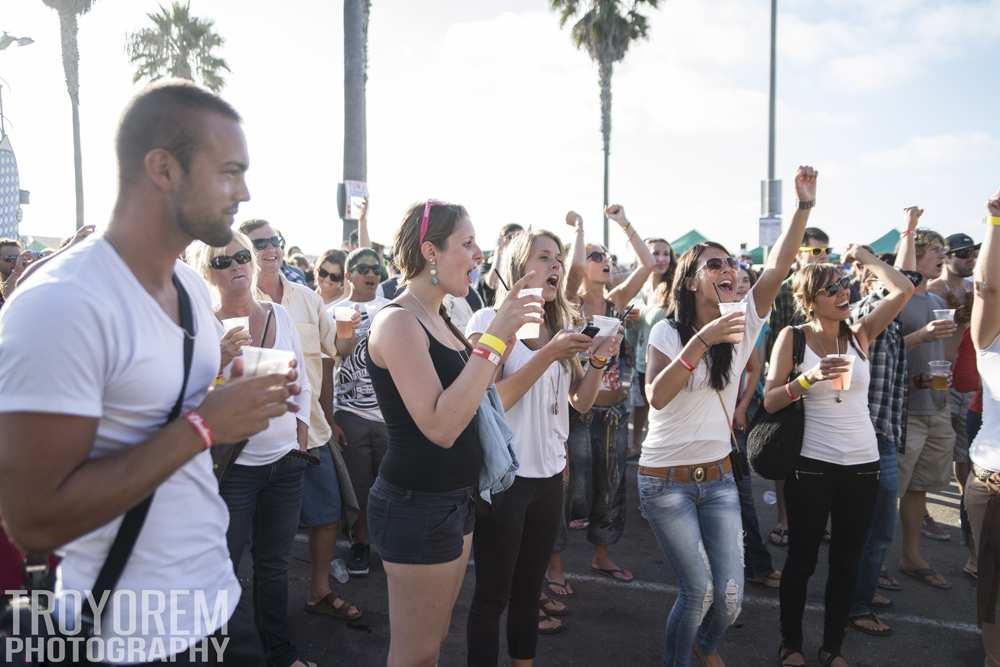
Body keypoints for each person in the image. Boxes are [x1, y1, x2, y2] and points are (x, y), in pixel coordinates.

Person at [0, 81, 303, 665]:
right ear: (163, 168)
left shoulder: (189, 285)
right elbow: (33, 521)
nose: (244, 190)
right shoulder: (62, 304)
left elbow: (166, 426)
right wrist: (207, 424)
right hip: (120, 633)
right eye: (230, 171)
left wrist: (233, 401)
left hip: (210, 605)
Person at [640, 165, 817, 667]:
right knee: (697, 593)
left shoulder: (744, 321)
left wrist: (803, 208)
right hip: (665, 481)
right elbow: (657, 395)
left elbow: (778, 268)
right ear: (692, 278)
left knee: (732, 599)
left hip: (717, 478)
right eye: (713, 264)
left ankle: (704, 647)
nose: (727, 270)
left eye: (731, 265)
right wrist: (699, 342)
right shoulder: (668, 334)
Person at [366, 200, 542, 667]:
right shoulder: (398, 321)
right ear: (430, 252)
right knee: (414, 653)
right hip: (417, 505)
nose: (479, 254)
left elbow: (479, 407)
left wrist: (547, 354)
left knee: (435, 639)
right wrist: (497, 334)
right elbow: (441, 426)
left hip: (452, 500)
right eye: (466, 243)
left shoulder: (442, 319)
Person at [464, 228, 622, 664]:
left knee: (529, 593)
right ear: (518, 267)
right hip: (505, 480)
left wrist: (600, 360)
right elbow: (489, 401)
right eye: (545, 257)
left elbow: (580, 402)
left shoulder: (562, 324)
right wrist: (548, 354)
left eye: (558, 258)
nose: (556, 265)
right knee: (493, 594)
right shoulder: (487, 322)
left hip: (551, 477)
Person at [766, 245, 914, 667]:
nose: (844, 293)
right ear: (811, 299)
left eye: (844, 285)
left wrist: (867, 261)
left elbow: (902, 290)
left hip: (863, 465)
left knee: (847, 561)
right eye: (833, 289)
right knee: (802, 560)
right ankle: (790, 643)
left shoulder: (860, 333)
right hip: (811, 464)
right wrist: (808, 379)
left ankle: (833, 647)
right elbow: (772, 400)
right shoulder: (792, 337)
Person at [192, 234, 316, 667]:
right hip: (234, 469)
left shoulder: (278, 316)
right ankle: (227, 655)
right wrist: (217, 361)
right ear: (208, 273)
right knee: (225, 566)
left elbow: (300, 385)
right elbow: (193, 402)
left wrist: (299, 441)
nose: (237, 266)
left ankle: (279, 654)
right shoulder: (204, 326)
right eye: (223, 262)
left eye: (242, 256)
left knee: (274, 567)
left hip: (284, 463)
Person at [241, 218, 363, 623]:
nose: (269, 248)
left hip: (311, 430)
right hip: (259, 437)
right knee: (259, 536)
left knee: (327, 515)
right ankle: (248, 613)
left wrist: (350, 331)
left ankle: (319, 591)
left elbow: (335, 350)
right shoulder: (237, 301)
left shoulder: (307, 299)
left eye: (274, 240)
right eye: (258, 243)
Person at [556, 204, 655, 588]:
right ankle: (555, 567)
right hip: (578, 411)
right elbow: (575, 270)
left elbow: (647, 266)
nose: (605, 261)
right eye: (597, 256)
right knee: (568, 490)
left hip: (613, 412)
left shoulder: (616, 301)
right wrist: (581, 231)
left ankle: (601, 556)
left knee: (611, 486)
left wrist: (624, 223)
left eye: (608, 256)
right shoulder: (569, 302)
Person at [845, 207, 920, 638]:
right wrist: (868, 257)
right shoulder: (865, 308)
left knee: (877, 530)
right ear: (872, 278)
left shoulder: (886, 305)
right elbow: (906, 284)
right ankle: (856, 604)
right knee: (872, 530)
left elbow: (907, 277)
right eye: (884, 270)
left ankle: (862, 592)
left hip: (885, 433)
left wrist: (908, 229)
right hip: (868, 437)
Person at [896, 227, 959, 590]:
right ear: (915, 255)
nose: (942, 255)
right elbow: (879, 349)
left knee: (921, 488)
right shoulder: (898, 300)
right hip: (906, 409)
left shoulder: (938, 301)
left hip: (937, 406)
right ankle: (875, 564)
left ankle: (912, 555)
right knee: (889, 492)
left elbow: (943, 355)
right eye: (935, 249)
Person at [765, 226, 832, 547]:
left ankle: (820, 519)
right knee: (786, 457)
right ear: (800, 254)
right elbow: (773, 350)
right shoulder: (783, 292)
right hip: (793, 388)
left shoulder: (839, 290)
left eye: (825, 251)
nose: (821, 256)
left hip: (831, 388)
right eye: (815, 251)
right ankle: (784, 518)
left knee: (824, 458)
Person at [331, 247, 392, 577]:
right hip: (350, 414)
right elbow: (329, 365)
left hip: (388, 415)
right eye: (364, 268)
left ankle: (390, 545)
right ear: (349, 274)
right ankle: (360, 544)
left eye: (377, 270)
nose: (372, 274)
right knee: (359, 485)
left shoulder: (391, 310)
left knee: (388, 484)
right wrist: (330, 418)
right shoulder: (332, 311)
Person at [963, 189, 1000, 667]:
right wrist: (995, 224)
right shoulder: (992, 342)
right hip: (994, 487)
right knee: (994, 587)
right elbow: (985, 290)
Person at [731, 265, 782, 589]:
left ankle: (757, 564)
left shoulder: (751, 319)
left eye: (744, 282)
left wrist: (740, 406)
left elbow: (755, 365)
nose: (738, 287)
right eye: (732, 283)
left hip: (737, 414)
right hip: (705, 421)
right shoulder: (710, 317)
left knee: (741, 490)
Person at [929, 232, 981, 544]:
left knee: (966, 458)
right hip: (938, 385)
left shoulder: (976, 291)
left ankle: (969, 517)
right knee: (931, 459)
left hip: (971, 385)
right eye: (962, 253)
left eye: (973, 252)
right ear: (946, 257)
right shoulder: (932, 291)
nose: (969, 258)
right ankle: (922, 514)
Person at [626, 237, 677, 458]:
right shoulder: (640, 287)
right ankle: (636, 446)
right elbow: (633, 332)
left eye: (666, 253)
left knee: (659, 409)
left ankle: (657, 450)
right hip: (640, 360)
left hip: (666, 361)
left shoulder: (674, 287)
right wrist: (628, 322)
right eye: (656, 253)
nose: (662, 258)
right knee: (639, 408)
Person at [479, 223, 525, 307]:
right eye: (511, 237)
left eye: (521, 238)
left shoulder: (524, 267)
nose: (516, 242)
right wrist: (499, 251)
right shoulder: (489, 265)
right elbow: (493, 283)